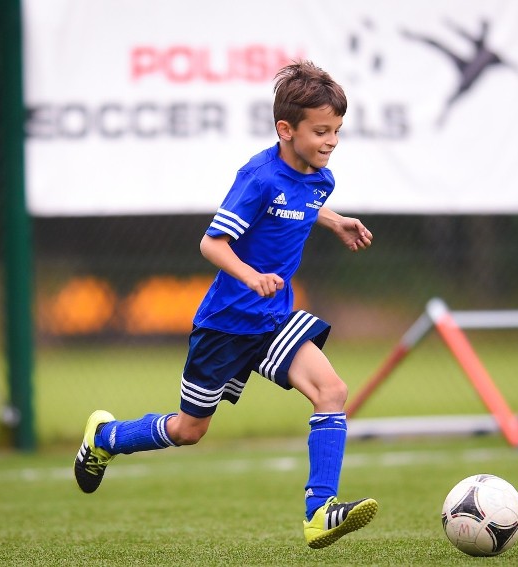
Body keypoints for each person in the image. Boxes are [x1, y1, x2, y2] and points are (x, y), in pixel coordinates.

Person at [74, 60, 378, 549]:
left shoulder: (323, 181)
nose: (331, 141)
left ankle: (319, 511)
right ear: (286, 130)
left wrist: (334, 220)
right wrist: (251, 275)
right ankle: (104, 439)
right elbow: (212, 245)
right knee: (190, 429)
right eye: (321, 131)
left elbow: (300, 202)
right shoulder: (257, 177)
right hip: (226, 325)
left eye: (337, 131)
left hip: (275, 319)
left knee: (332, 391)